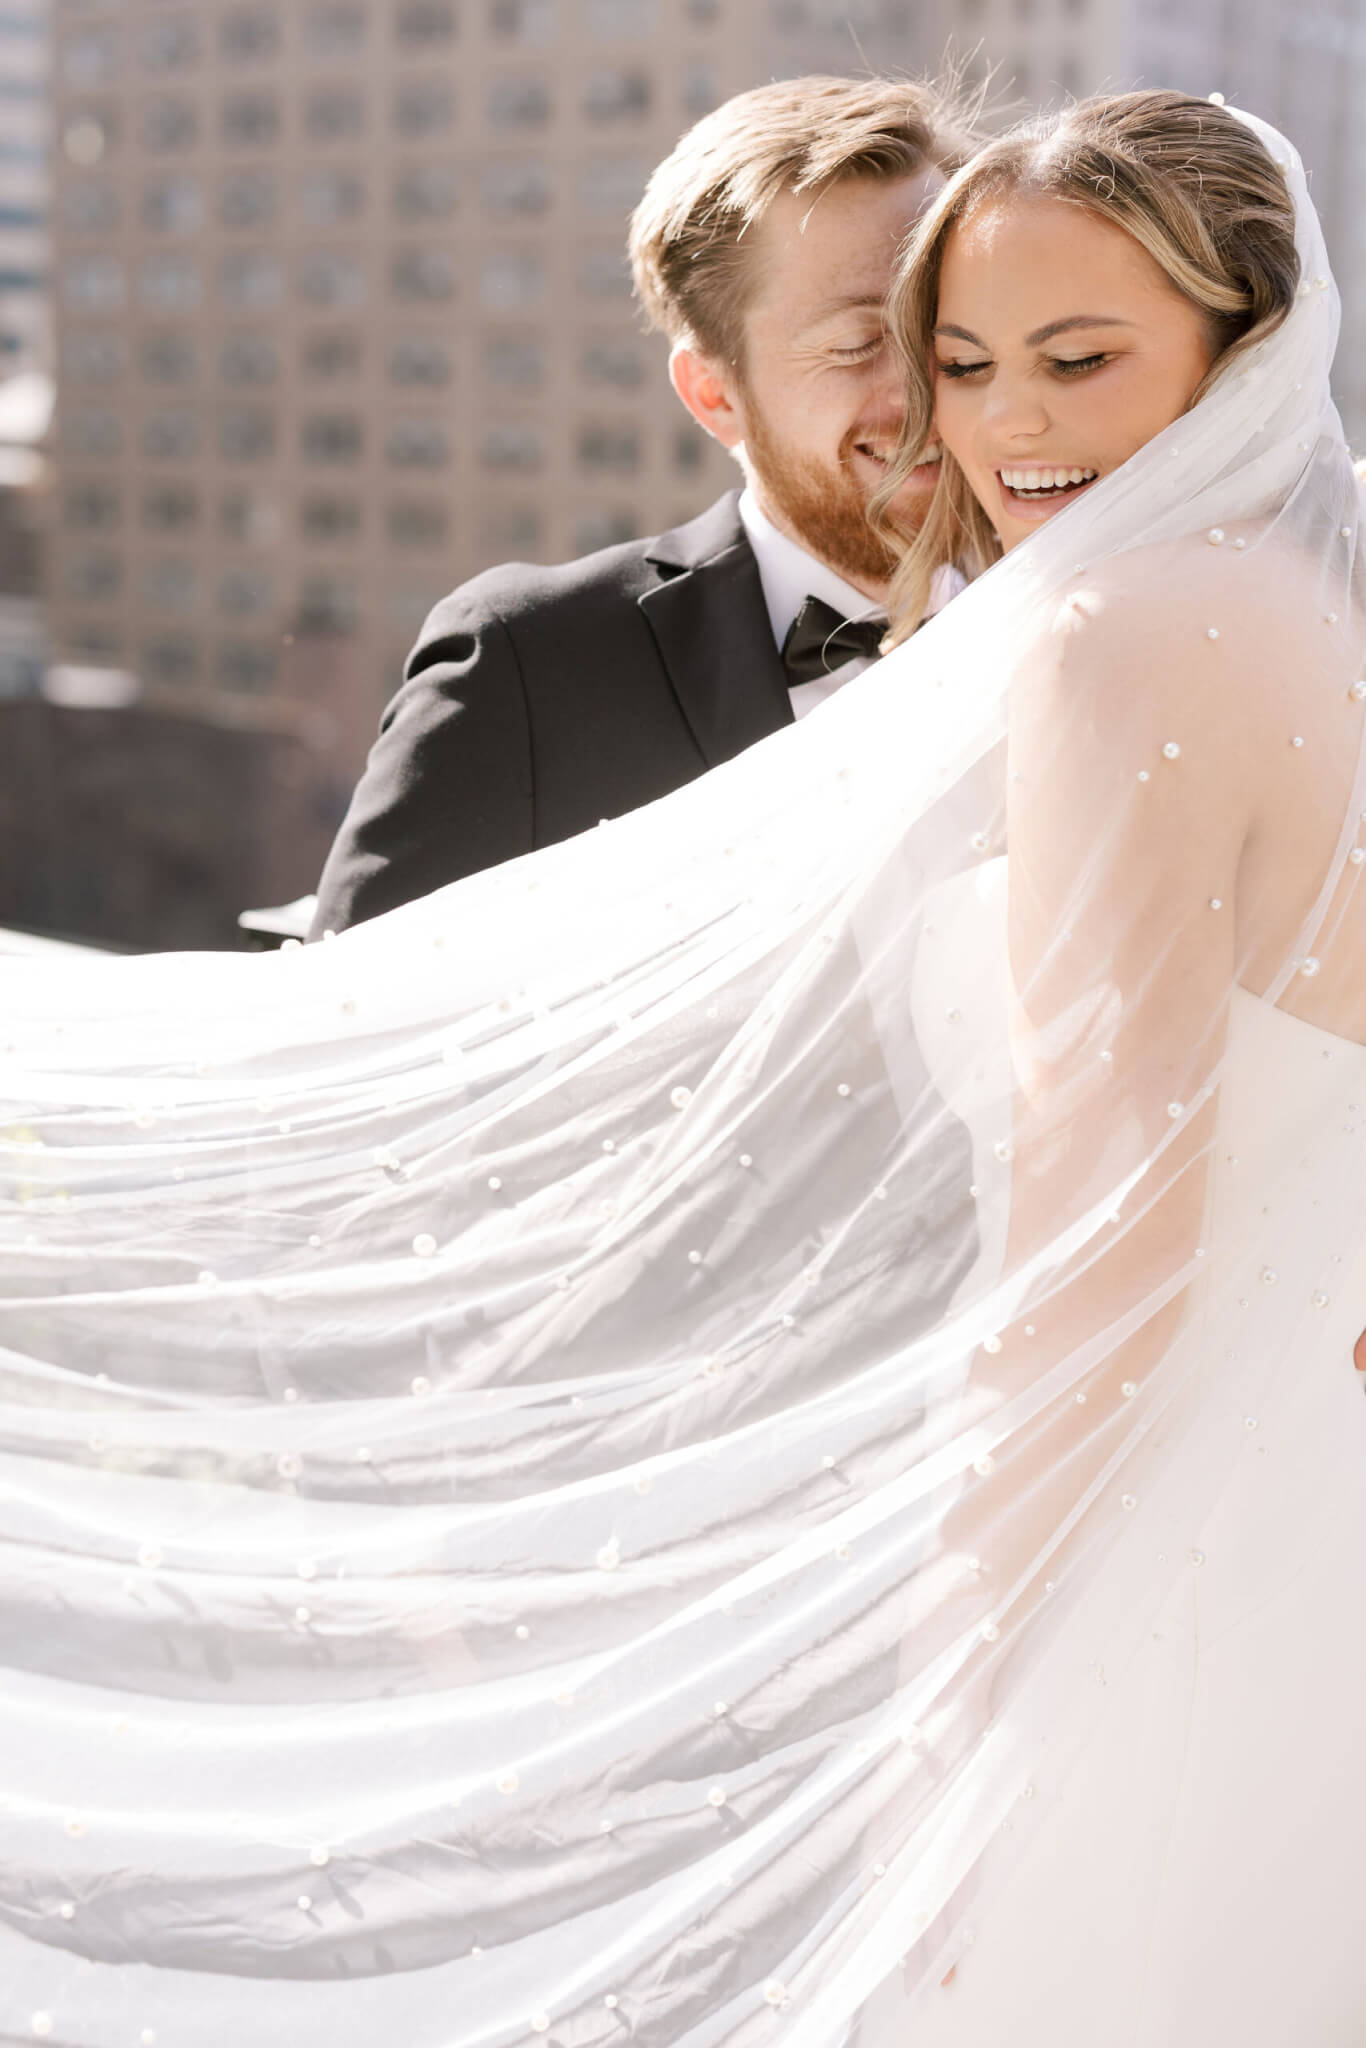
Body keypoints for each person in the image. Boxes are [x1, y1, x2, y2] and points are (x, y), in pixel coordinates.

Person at [3, 92, 1365, 2048]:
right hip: (653, 1602)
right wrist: (440, 1582)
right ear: (711, 391)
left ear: (1235, 345)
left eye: (1052, 353)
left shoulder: (1117, 639)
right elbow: (366, 1109)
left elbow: (1103, 1228)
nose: (965, 413)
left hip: (1087, 1545)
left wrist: (957, 1674)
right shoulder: (541, 662)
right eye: (913, 351)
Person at [307, 74, 968, 939]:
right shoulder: (525, 668)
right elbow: (352, 1040)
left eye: (946, 323)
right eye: (854, 345)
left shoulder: (1109, 610)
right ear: (713, 395)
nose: (923, 388)